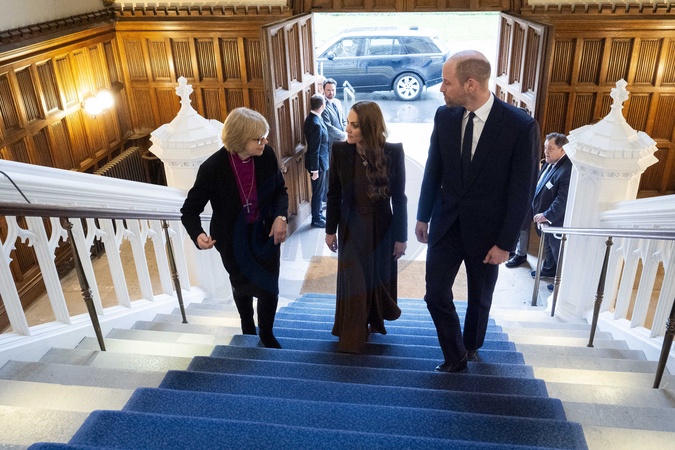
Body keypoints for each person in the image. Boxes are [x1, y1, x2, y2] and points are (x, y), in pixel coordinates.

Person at [415, 50, 539, 373]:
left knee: (479, 298)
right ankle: (455, 354)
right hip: (446, 223)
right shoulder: (444, 116)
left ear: (470, 84)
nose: (441, 88)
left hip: (488, 233)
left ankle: (471, 345)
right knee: (434, 294)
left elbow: (522, 191)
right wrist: (423, 215)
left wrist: (506, 243)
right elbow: (433, 168)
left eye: (447, 82)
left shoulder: (520, 126)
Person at [180, 107, 289, 349]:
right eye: (258, 139)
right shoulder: (212, 168)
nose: (265, 142)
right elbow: (189, 210)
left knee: (269, 288)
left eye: (264, 137)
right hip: (232, 241)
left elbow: (280, 191)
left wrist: (280, 216)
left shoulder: (267, 155)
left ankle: (267, 334)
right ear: (239, 141)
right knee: (242, 286)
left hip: (265, 234)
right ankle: (247, 326)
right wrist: (198, 234)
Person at [325, 100, 408, 354]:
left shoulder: (393, 152)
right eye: (347, 123)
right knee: (355, 283)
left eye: (354, 125)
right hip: (350, 229)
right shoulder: (340, 150)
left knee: (374, 279)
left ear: (370, 128)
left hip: (381, 230)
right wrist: (329, 230)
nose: (347, 129)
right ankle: (352, 337)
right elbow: (333, 193)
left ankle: (371, 322)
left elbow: (399, 198)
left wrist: (401, 237)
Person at [530, 132, 573, 290]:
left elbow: (562, 199)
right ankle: (549, 269)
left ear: (562, 150)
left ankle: (561, 284)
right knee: (547, 246)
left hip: (555, 220)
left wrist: (547, 215)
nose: (546, 152)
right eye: (545, 147)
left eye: (550, 148)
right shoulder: (550, 162)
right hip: (543, 218)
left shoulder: (567, 169)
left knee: (557, 251)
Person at [303, 94, 329, 228]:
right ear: (322, 105)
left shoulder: (314, 118)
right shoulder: (315, 124)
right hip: (318, 164)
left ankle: (319, 214)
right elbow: (314, 149)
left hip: (320, 162)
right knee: (318, 192)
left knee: (320, 190)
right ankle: (316, 219)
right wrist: (315, 170)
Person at [321, 78, 347, 150]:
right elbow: (328, 127)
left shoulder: (338, 102)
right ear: (323, 90)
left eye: (333, 90)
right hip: (332, 143)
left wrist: (345, 132)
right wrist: (343, 135)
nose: (331, 92)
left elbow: (344, 120)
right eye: (328, 90)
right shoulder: (322, 105)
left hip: (343, 140)